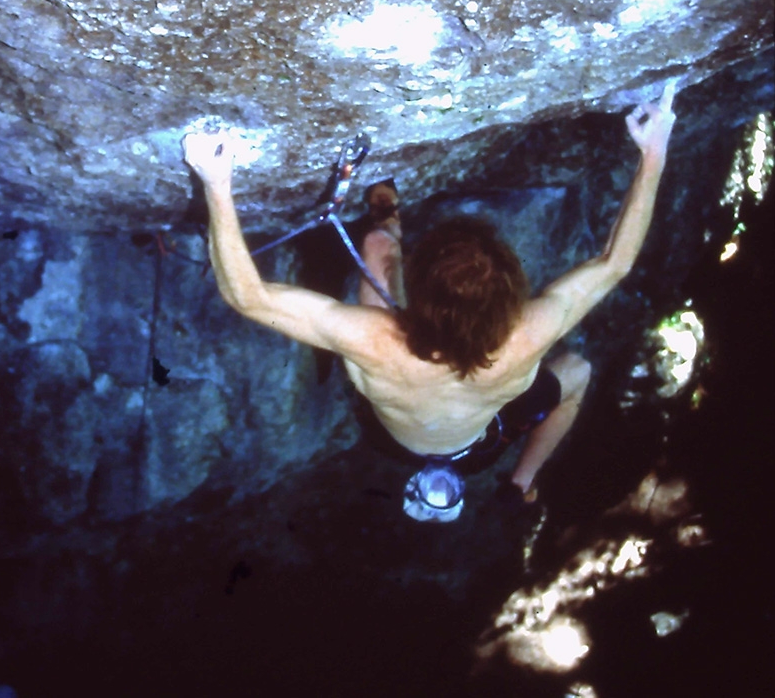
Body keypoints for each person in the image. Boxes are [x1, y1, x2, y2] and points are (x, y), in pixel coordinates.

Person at [182, 86, 677, 520]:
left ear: (414, 289)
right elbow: (615, 263)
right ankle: (522, 480)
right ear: (510, 298)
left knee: (378, 248)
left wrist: (217, 186)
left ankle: (384, 194)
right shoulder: (531, 332)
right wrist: (654, 157)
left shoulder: (377, 340)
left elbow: (247, 295)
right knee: (579, 375)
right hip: (481, 441)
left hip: (395, 433)